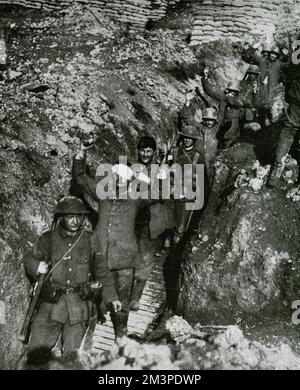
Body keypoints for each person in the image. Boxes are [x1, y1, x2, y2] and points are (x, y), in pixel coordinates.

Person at [72, 149, 159, 340]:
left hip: (125, 258)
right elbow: (80, 178)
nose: (119, 180)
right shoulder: (103, 193)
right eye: (116, 176)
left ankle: (121, 332)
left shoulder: (136, 198)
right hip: (101, 254)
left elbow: (157, 194)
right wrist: (82, 151)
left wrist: (141, 176)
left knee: (123, 297)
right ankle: (91, 328)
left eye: (123, 178)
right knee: (96, 293)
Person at [24, 196, 120, 358]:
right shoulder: (48, 239)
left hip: (78, 306)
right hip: (51, 305)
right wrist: (36, 266)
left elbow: (101, 270)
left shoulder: (91, 240)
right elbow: (29, 258)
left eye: (79, 216)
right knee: (36, 354)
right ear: (61, 218)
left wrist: (112, 297)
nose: (75, 221)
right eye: (70, 216)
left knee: (73, 358)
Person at [267, 59, 300, 187]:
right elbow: (279, 66)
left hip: (296, 96)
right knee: (289, 130)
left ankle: (278, 167)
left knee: (289, 130)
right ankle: (278, 166)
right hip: (297, 100)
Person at [242, 42, 288, 125]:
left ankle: (268, 121)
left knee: (269, 105)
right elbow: (253, 52)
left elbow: (290, 65)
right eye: (272, 54)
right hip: (260, 86)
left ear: (277, 56)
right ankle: (255, 121)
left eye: (275, 54)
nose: (273, 56)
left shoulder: (279, 64)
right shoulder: (262, 60)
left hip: (271, 89)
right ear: (269, 54)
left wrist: (287, 54)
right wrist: (252, 45)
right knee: (257, 103)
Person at [172, 125, 204, 244]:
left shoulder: (198, 156)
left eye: (190, 138)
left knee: (181, 225)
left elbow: (201, 179)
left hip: (187, 193)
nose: (187, 140)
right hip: (172, 190)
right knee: (168, 220)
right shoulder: (175, 152)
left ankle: (176, 248)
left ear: (194, 140)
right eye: (185, 137)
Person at [202, 68, 243, 148]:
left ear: (237, 92)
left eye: (234, 91)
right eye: (230, 90)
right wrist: (205, 78)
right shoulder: (222, 97)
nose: (231, 93)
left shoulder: (238, 101)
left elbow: (236, 104)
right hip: (220, 129)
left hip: (233, 133)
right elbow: (209, 91)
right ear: (227, 90)